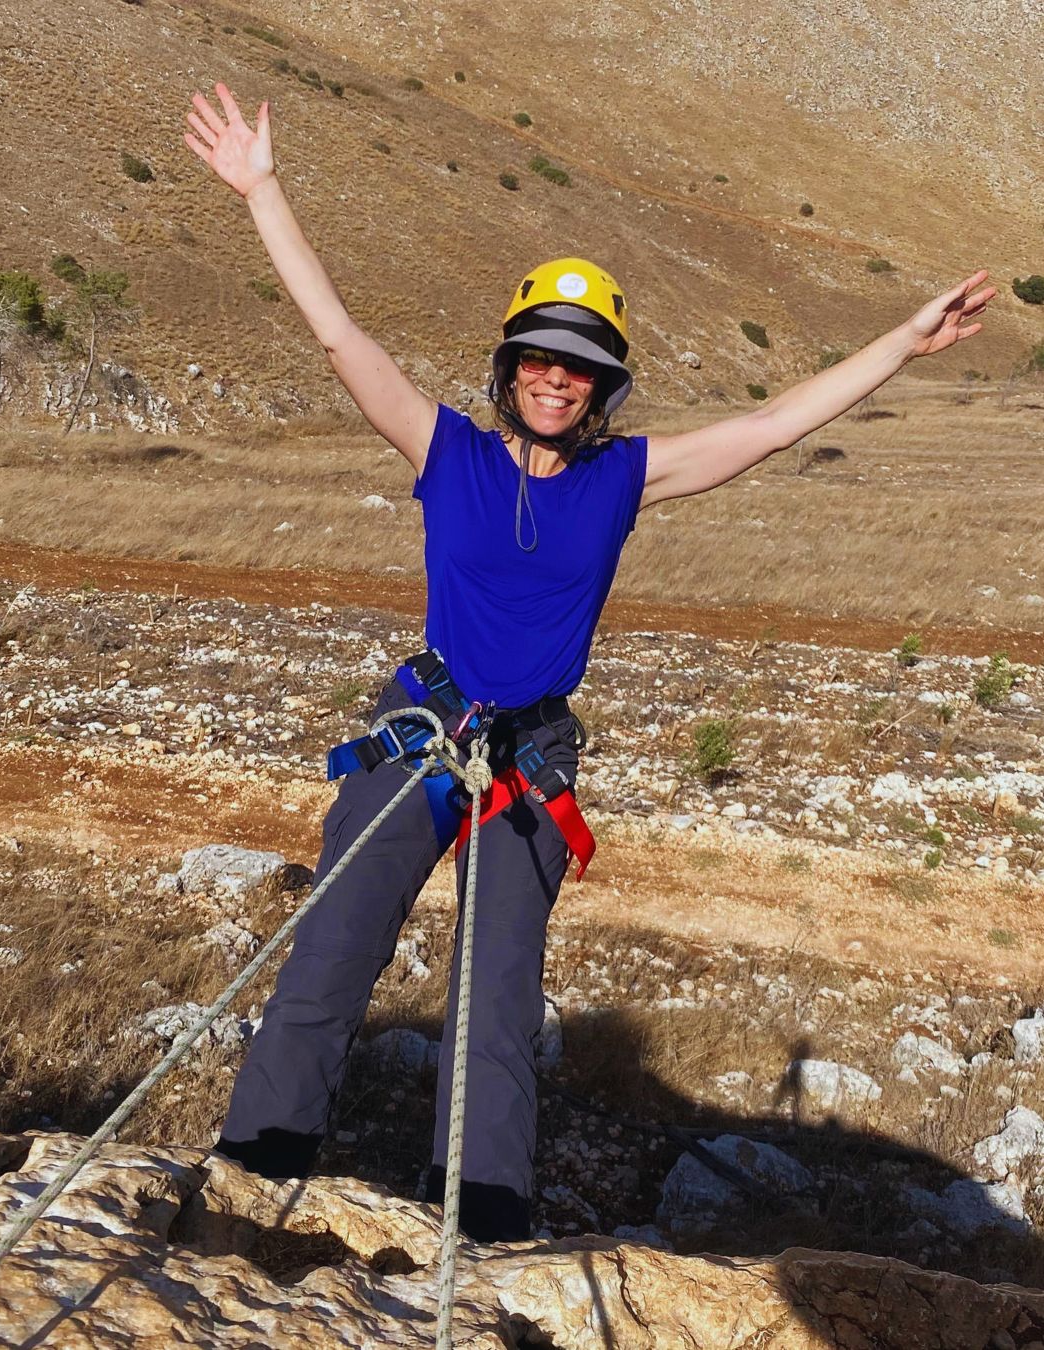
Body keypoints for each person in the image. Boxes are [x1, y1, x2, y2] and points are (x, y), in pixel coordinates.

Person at [184, 83, 994, 1241]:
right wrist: (262, 191)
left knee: (498, 995)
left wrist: (905, 343)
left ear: (603, 383)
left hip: (530, 755)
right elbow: (338, 335)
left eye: (581, 365)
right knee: (333, 950)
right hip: (424, 731)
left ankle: (480, 1225)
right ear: (509, 364)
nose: (556, 379)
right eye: (539, 358)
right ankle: (250, 1183)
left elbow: (775, 424)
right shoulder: (446, 449)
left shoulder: (625, 478)